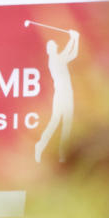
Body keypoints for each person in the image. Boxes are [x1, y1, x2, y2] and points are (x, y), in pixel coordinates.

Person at [34, 29, 79, 163]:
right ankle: (40, 145)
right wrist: (73, 39)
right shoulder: (55, 59)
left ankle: (63, 153)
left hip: (67, 93)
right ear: (49, 50)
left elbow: (73, 55)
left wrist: (75, 39)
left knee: (67, 123)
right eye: (52, 47)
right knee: (56, 122)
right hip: (61, 95)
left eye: (55, 47)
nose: (54, 48)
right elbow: (68, 53)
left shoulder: (58, 58)